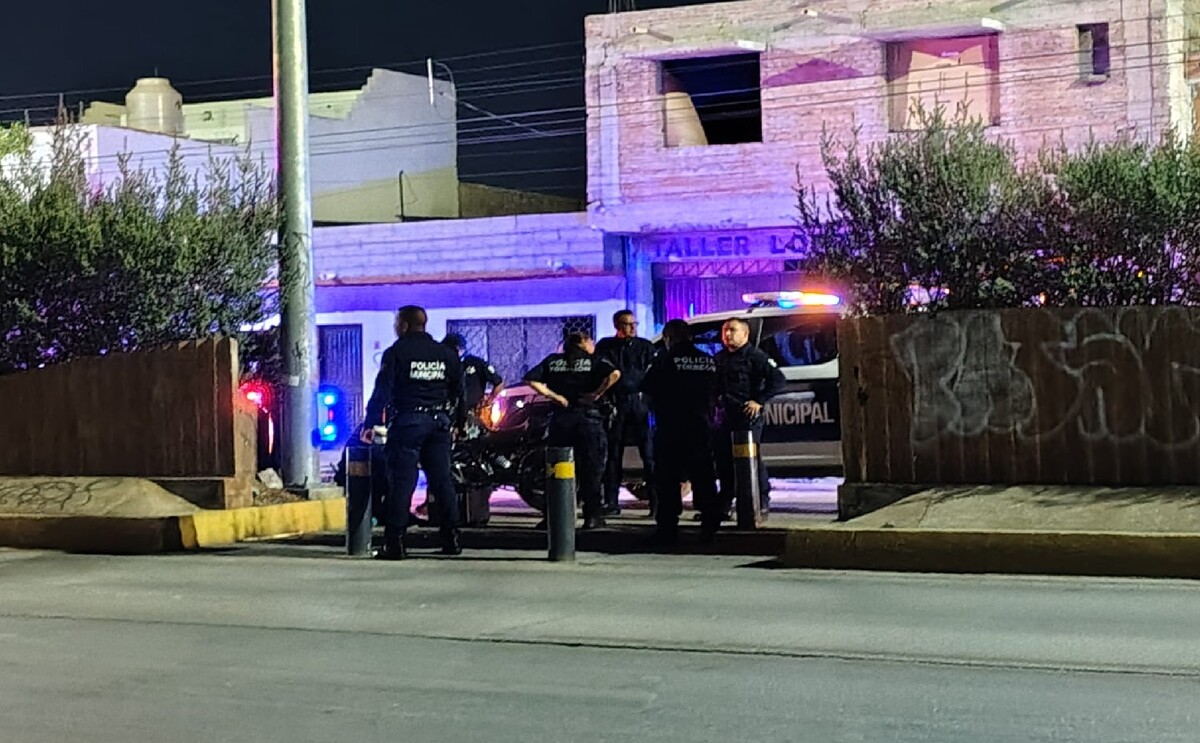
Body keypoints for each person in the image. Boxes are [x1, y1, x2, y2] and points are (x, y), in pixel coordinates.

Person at [361, 305, 465, 560]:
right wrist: (458, 423)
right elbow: (459, 391)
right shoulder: (445, 353)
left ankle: (395, 543)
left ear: (404, 325)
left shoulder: (397, 352)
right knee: (442, 482)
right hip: (439, 422)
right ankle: (452, 539)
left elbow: (382, 390)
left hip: (408, 422)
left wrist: (371, 422)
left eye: (397, 322)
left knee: (402, 482)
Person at [524, 330, 621, 530]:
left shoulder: (553, 361)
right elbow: (615, 373)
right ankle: (592, 516)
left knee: (558, 469)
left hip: (561, 419)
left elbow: (531, 380)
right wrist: (596, 394)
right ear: (583, 342)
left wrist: (555, 397)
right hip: (589, 418)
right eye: (590, 340)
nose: (593, 344)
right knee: (591, 469)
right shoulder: (595, 361)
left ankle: (556, 515)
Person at [640, 319, 719, 546]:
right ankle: (709, 526)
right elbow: (717, 390)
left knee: (668, 479)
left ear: (667, 338)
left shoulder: (664, 360)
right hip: (701, 426)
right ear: (690, 337)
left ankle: (668, 528)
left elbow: (648, 392)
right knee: (703, 476)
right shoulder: (707, 361)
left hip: (671, 428)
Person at [713, 317, 786, 526]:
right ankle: (725, 503)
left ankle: (761, 501)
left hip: (746, 416)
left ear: (745, 334)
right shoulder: (720, 358)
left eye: (732, 330)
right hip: (724, 416)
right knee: (724, 460)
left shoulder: (755, 356)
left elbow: (778, 380)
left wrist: (759, 401)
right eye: (725, 330)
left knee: (751, 460)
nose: (727, 335)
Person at [594, 310, 657, 517]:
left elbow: (651, 372)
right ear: (617, 326)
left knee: (649, 454)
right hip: (616, 403)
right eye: (626, 324)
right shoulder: (606, 346)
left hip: (639, 403)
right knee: (613, 454)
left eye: (633, 324)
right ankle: (611, 503)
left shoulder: (645, 346)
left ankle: (656, 504)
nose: (631, 328)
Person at [443, 333, 504, 412]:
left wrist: (489, 400)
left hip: (473, 411)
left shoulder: (476, 363)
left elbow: (498, 382)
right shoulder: (445, 364)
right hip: (451, 410)